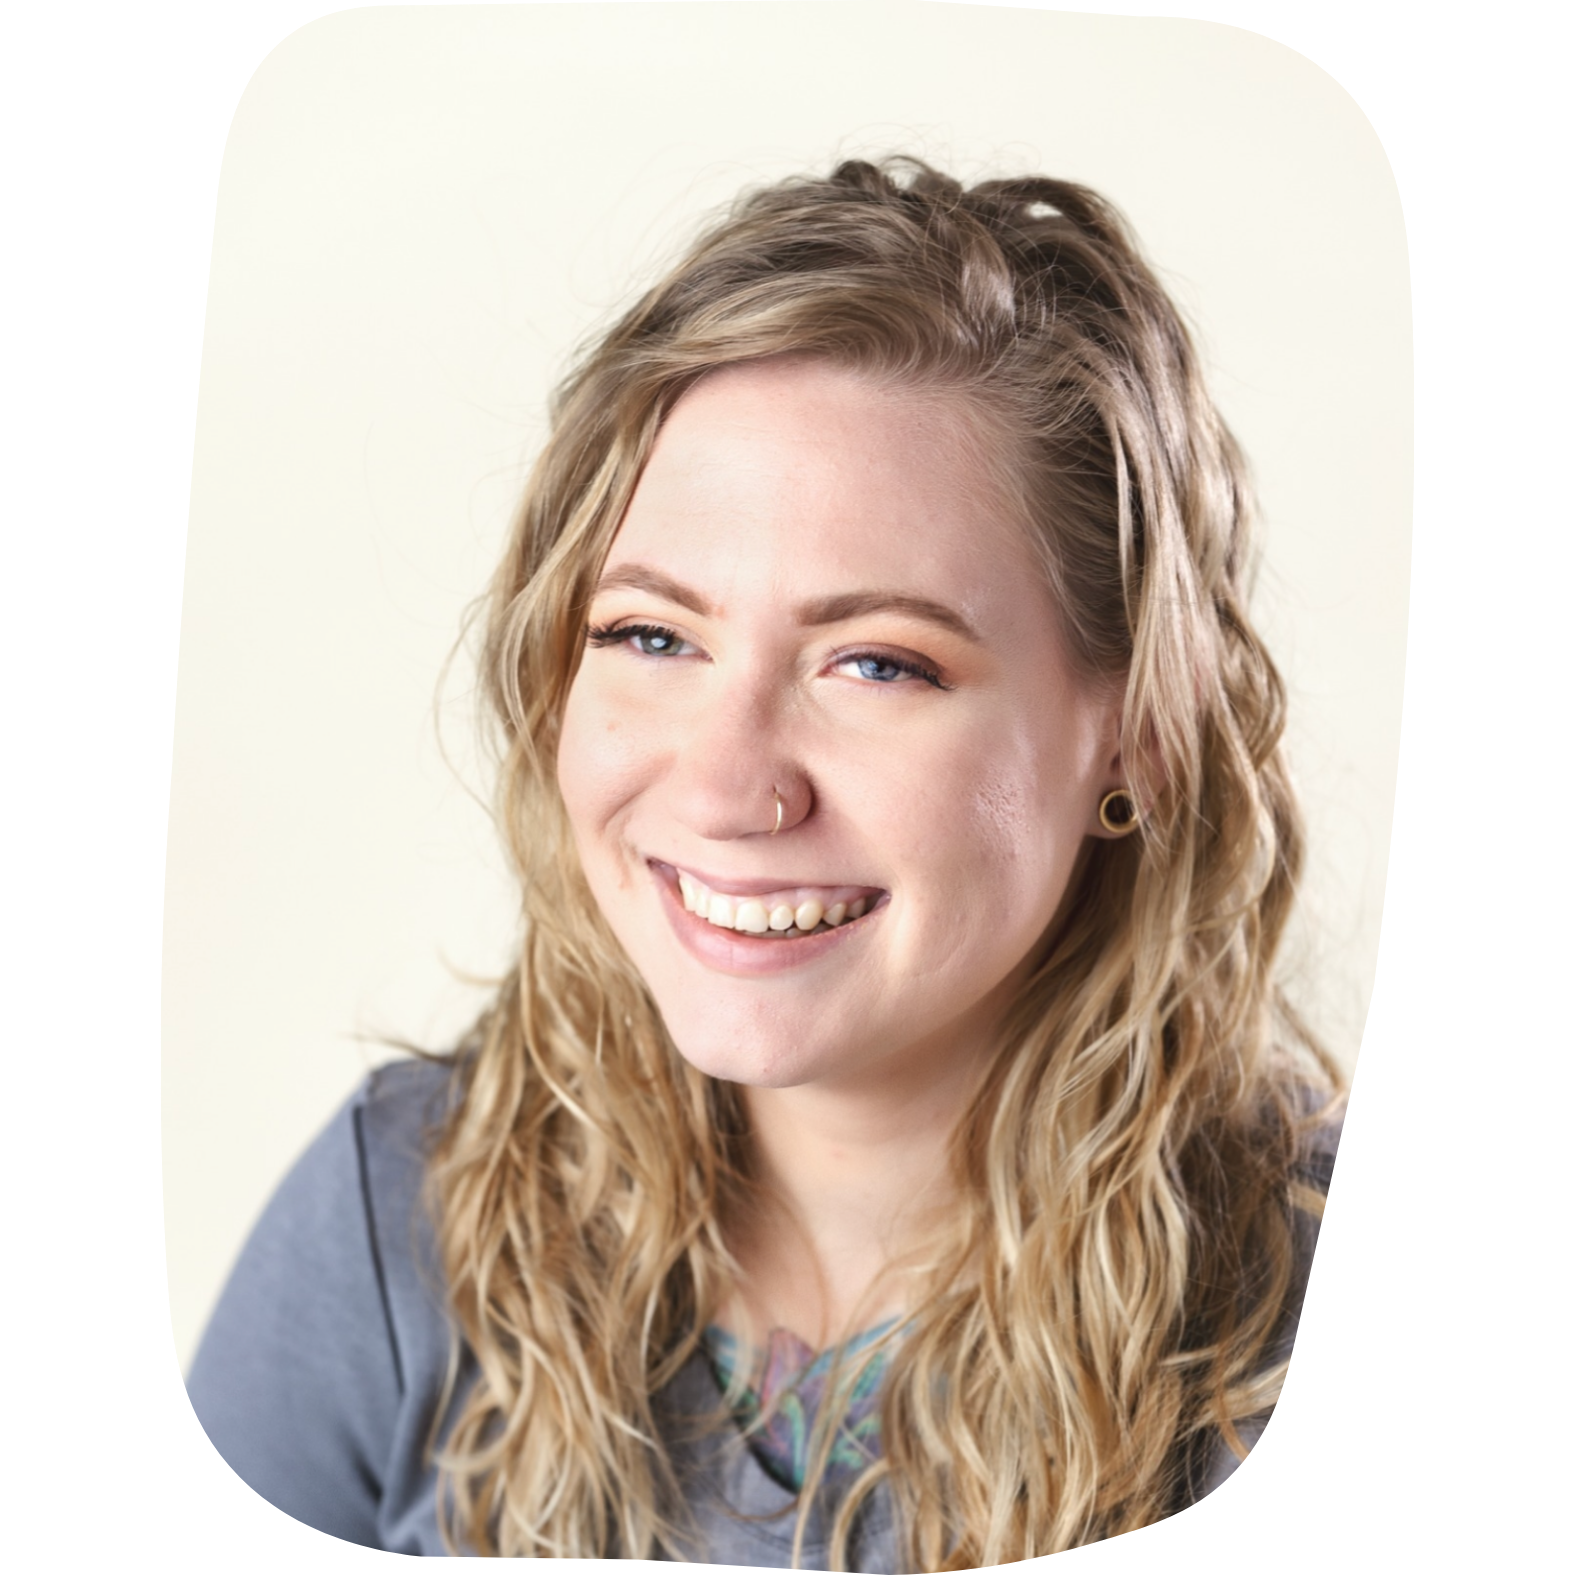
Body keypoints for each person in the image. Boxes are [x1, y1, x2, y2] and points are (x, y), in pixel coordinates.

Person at [188, 156, 1348, 1572]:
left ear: (1140, 735)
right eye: (651, 636)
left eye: (878, 662)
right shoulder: (398, 1223)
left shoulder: (1353, 1324)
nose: (730, 784)